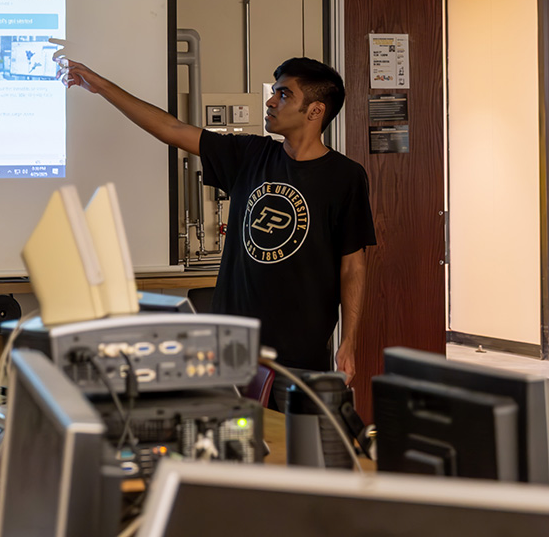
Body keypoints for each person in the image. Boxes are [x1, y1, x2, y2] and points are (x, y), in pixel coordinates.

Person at [57, 53, 375, 409]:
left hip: (298, 353)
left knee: (291, 451)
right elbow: (172, 129)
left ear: (316, 111)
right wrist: (100, 87)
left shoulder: (344, 177)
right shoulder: (250, 154)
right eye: (275, 92)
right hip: (228, 345)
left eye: (284, 95)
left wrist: (349, 341)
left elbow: (353, 266)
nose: (271, 101)